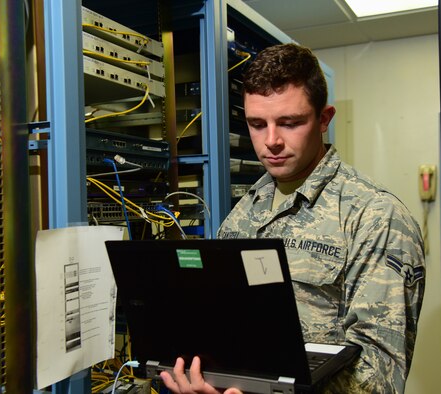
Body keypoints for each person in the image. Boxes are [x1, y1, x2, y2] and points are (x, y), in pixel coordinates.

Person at [160, 43, 425, 393]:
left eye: (289, 123)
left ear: (324, 120)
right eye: (257, 124)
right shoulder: (243, 214)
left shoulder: (375, 217)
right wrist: (203, 376)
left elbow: (379, 378)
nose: (271, 141)